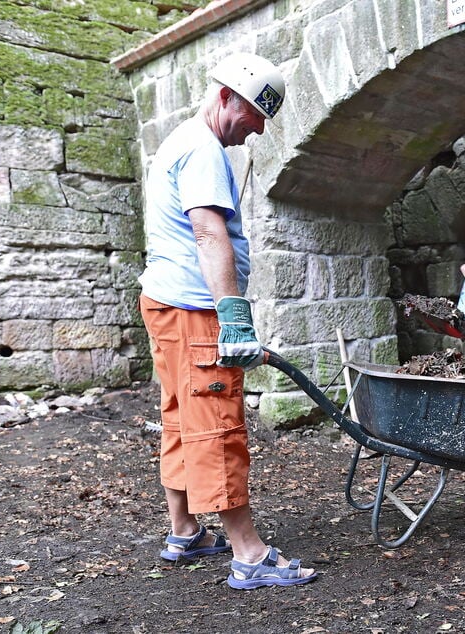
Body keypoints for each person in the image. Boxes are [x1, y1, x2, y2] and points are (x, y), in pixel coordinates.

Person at [137, 53, 317, 590]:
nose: (258, 128)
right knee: (217, 423)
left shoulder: (181, 140)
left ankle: (184, 530)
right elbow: (208, 233)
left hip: (166, 304)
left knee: (180, 416)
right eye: (255, 114)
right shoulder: (203, 149)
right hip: (195, 311)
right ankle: (249, 554)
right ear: (225, 97)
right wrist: (234, 318)